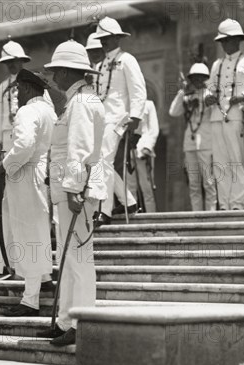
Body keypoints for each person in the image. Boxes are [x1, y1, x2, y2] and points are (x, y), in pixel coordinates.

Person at [37, 40, 107, 346]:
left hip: (77, 191)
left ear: (68, 72)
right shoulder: (82, 100)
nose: (53, 78)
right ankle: (66, 321)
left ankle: (82, 323)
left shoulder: (81, 103)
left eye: (56, 72)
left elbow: (80, 150)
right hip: (74, 190)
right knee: (68, 260)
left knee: (78, 259)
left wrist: (74, 190)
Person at [0, 69, 57, 317]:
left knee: (27, 234)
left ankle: (30, 300)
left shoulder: (28, 111)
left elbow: (23, 146)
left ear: (27, 88)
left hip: (26, 175)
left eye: (18, 90)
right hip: (43, 173)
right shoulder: (49, 111)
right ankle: (44, 278)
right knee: (38, 230)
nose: (17, 96)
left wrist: (4, 165)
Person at [205, 19, 244, 210]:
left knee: (237, 161)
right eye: (223, 41)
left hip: (239, 116)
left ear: (238, 40)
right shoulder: (217, 64)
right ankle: (223, 205)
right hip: (217, 116)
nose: (225, 44)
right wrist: (208, 97)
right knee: (220, 164)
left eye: (229, 40)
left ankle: (237, 205)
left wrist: (242, 97)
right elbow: (209, 89)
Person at [93, 17, 147, 226]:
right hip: (102, 118)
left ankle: (104, 210)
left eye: (107, 37)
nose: (103, 41)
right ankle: (129, 201)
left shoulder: (127, 60)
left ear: (117, 37)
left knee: (103, 160)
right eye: (101, 38)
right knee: (101, 161)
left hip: (118, 117)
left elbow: (138, 89)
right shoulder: (101, 64)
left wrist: (135, 116)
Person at [169, 63, 217, 211]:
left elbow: (215, 106)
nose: (197, 80)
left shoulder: (209, 94)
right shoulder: (187, 95)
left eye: (200, 77)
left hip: (206, 142)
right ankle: (197, 214)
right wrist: (182, 92)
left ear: (205, 78)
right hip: (190, 143)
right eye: (194, 77)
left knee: (208, 182)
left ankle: (211, 213)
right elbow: (173, 112)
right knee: (193, 183)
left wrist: (206, 99)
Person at [127, 99, 159, 212]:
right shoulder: (125, 102)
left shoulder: (148, 104)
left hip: (143, 149)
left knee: (147, 188)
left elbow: (154, 129)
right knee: (130, 187)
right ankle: (132, 215)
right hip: (128, 149)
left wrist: (148, 147)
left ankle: (151, 216)